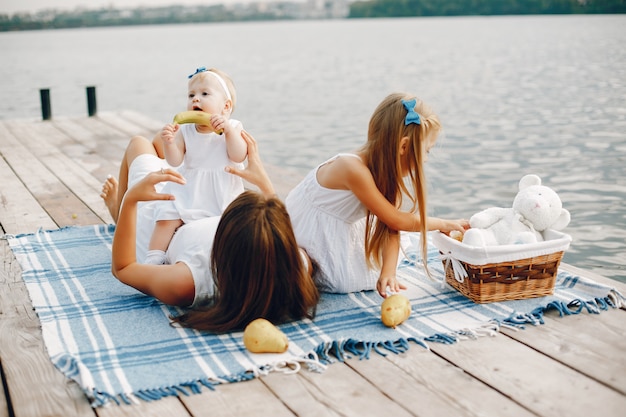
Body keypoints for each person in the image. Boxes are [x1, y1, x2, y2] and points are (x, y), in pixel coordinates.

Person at [100, 130, 319, 333]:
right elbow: (274, 228)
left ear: (222, 240)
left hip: (161, 231)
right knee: (163, 142)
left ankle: (121, 218)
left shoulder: (186, 282)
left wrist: (131, 199)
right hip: (197, 212)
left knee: (139, 144)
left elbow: (123, 268)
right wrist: (265, 184)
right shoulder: (298, 265)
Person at [285, 92, 470, 298]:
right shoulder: (351, 168)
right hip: (310, 230)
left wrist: (388, 272)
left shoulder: (385, 174)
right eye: (426, 151)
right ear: (403, 146)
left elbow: (391, 227)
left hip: (340, 222)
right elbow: (397, 221)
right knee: (342, 278)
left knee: (375, 267)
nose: (425, 160)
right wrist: (443, 224)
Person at [146, 66, 248, 265]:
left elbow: (238, 156)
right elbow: (175, 160)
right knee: (167, 216)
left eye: (204, 94)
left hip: (221, 189)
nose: (195, 99)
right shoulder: (186, 130)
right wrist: (169, 143)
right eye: (191, 94)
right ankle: (154, 256)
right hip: (189, 187)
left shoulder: (234, 127)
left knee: (229, 223)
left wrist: (228, 131)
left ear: (225, 107)